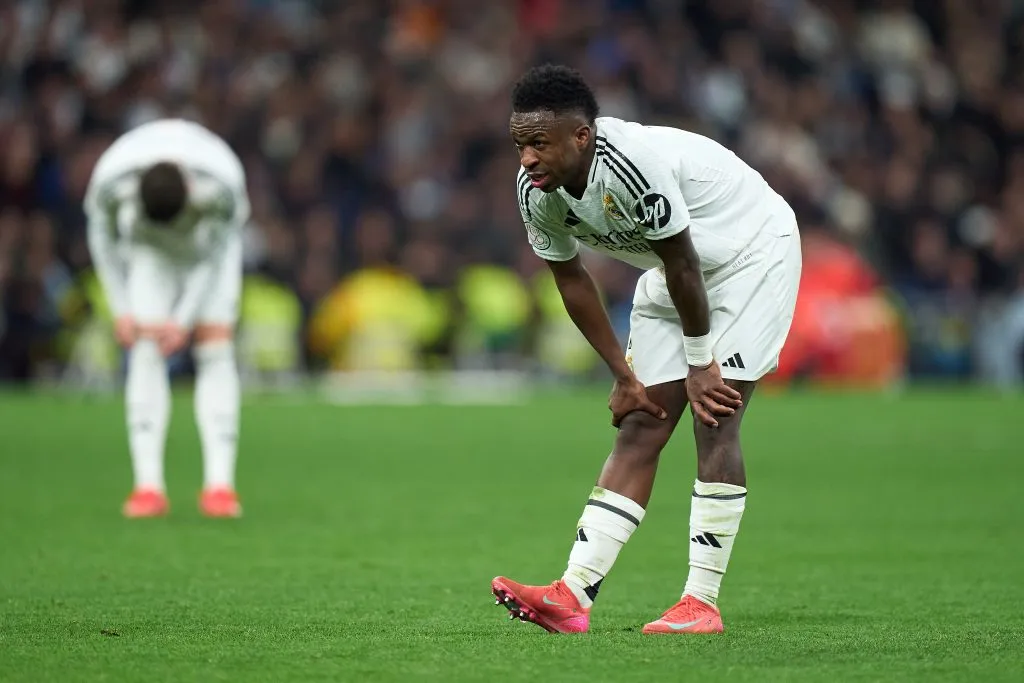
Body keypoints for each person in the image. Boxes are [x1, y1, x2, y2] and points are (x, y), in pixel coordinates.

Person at [491, 65, 802, 634]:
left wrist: (701, 360)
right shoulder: (536, 193)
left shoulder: (631, 167)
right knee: (641, 421)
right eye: (520, 144)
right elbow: (572, 280)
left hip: (751, 253)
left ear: (580, 136)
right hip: (679, 269)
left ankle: (700, 602)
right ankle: (572, 595)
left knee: (715, 416)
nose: (527, 158)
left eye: (539, 143)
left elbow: (685, 262)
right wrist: (623, 375)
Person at [84, 118, 250, 519]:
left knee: (216, 345)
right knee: (145, 347)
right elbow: (102, 240)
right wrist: (121, 309)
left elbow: (215, 254)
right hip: (148, 252)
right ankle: (148, 488)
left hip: (208, 247)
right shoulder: (111, 183)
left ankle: (219, 487)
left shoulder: (220, 188)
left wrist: (184, 318)